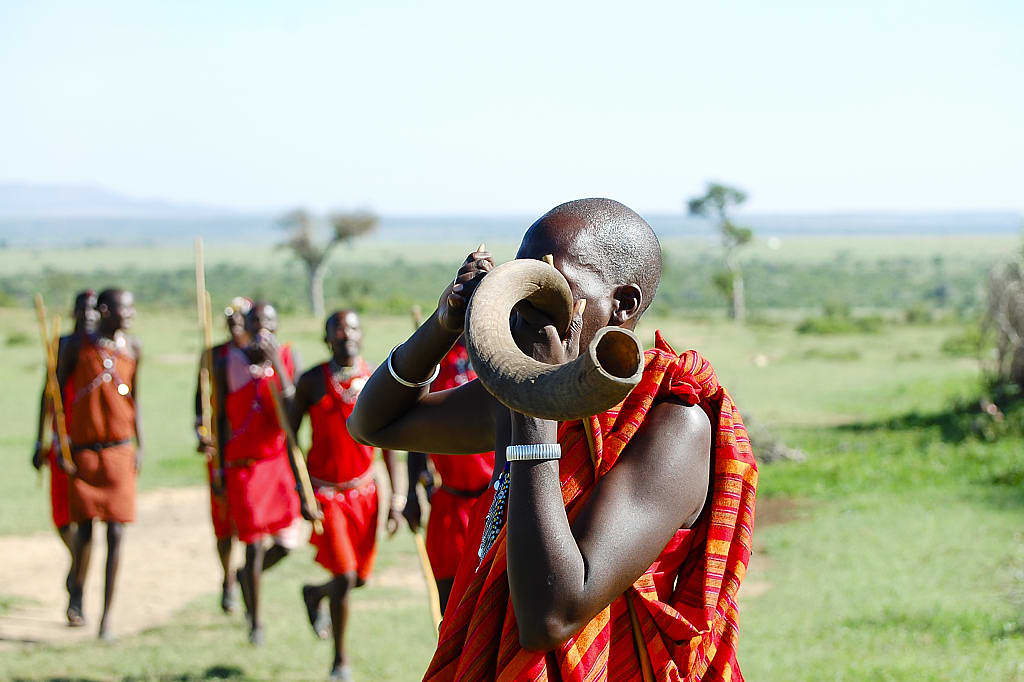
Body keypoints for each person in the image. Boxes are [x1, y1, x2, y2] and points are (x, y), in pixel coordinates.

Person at [348, 199, 758, 681]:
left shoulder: (673, 422)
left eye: (551, 286)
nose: (524, 305)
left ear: (621, 305)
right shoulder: (516, 401)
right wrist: (444, 325)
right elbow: (375, 424)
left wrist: (533, 401)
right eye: (522, 282)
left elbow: (552, 616)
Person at [289, 310, 402, 682]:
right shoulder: (311, 382)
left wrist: (397, 499)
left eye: (352, 328)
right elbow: (290, 441)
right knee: (344, 574)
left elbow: (390, 441)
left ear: (361, 335)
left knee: (359, 578)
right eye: (337, 330)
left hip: (365, 493)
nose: (345, 335)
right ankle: (340, 661)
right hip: (326, 494)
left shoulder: (376, 379)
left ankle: (313, 594)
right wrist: (301, 491)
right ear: (327, 338)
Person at [58, 288, 143, 640]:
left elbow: (137, 398)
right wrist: (57, 444)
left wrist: (141, 445)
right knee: (85, 532)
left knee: (118, 532)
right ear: (106, 311)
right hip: (84, 453)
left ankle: (108, 616)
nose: (130, 314)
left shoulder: (133, 348)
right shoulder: (77, 347)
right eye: (124, 308)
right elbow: (56, 395)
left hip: (120, 451)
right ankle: (77, 591)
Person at [222, 301, 302, 645]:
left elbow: (292, 406)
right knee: (252, 545)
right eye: (256, 322)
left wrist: (275, 366)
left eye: (269, 322)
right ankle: (255, 620)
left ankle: (244, 577)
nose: (262, 328)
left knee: (286, 544)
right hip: (244, 466)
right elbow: (218, 416)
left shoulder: (286, 356)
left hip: (277, 463)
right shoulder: (229, 360)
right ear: (247, 325)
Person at [403, 338, 494, 614]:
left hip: (496, 504)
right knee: (450, 608)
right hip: (449, 505)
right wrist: (411, 492)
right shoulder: (431, 364)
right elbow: (416, 430)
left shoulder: (500, 352)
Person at [31, 290, 98, 614]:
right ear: (72, 311)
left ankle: (77, 592)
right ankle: (78, 565)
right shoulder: (61, 345)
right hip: (63, 446)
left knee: (85, 519)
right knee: (61, 517)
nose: (87, 315)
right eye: (81, 308)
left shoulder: (102, 349)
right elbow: (46, 396)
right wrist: (38, 441)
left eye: (93, 309)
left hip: (93, 448)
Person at [194, 297, 252, 614]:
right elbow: (199, 404)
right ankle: (227, 578)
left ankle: (246, 576)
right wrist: (202, 435)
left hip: (251, 453)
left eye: (241, 318)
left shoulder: (258, 358)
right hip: (221, 451)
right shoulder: (214, 355)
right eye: (230, 319)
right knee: (223, 522)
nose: (235, 325)